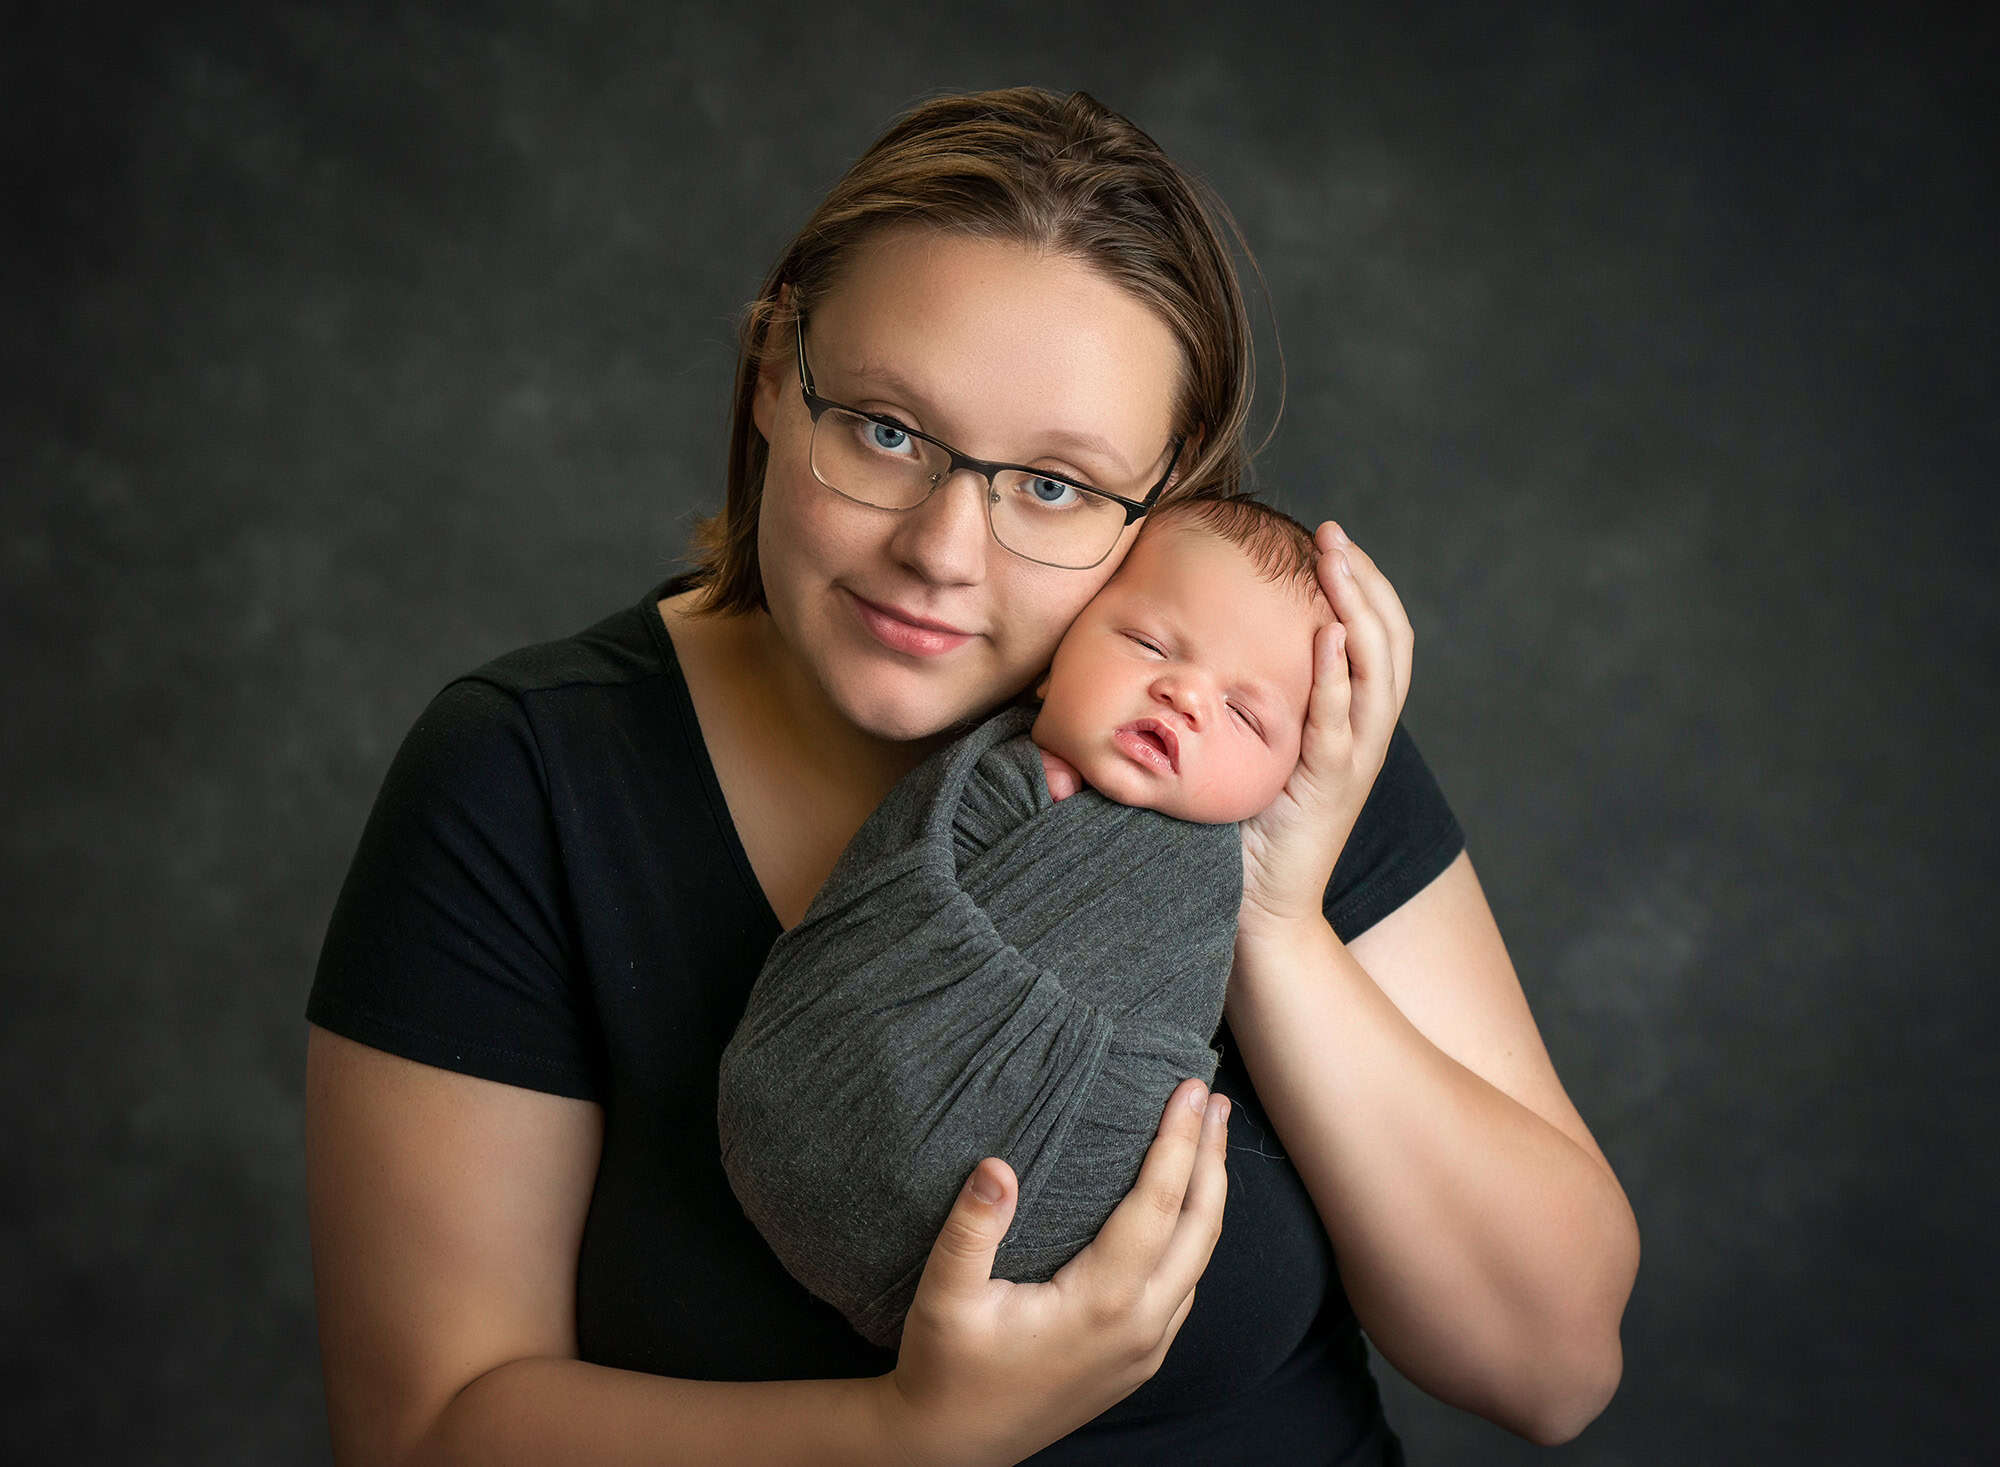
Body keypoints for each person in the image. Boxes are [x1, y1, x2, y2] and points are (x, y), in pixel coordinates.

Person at [305, 87, 1639, 1466]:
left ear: (1165, 486)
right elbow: (425, 1429)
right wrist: (904, 1436)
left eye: (1054, 484)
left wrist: (1274, 913)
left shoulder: (1259, 736)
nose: (946, 547)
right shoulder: (524, 775)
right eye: (886, 429)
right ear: (774, 369)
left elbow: (1552, 1367)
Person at [719, 497, 1332, 1350]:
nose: (1186, 694)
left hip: (1033, 1237)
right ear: (1054, 657)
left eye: (1244, 713)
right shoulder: (992, 784)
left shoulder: (1220, 883)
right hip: (794, 1111)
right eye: (1149, 644)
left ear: (1289, 778)